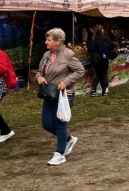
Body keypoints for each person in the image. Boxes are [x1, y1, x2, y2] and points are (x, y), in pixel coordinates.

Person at [36, 28, 85, 166]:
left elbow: (80, 71)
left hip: (64, 94)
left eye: (49, 40)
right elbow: (39, 71)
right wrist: (39, 77)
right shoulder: (46, 54)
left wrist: (66, 82)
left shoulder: (68, 54)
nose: (46, 42)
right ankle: (68, 139)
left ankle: (60, 153)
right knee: (46, 124)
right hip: (49, 93)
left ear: (58, 41)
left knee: (60, 123)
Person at [89, 28, 116, 96]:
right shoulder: (105, 38)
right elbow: (112, 45)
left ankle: (93, 90)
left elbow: (90, 48)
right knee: (104, 74)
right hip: (104, 59)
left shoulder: (93, 39)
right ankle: (104, 91)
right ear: (102, 32)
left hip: (95, 60)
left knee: (98, 74)